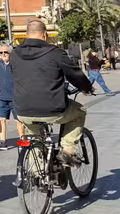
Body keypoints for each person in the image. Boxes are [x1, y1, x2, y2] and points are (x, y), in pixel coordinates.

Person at [11, 20, 94, 165]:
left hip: (23, 110)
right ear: (46, 35)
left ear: (26, 35)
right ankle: (67, 150)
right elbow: (74, 75)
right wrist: (87, 88)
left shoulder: (14, 54)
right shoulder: (56, 53)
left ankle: (36, 175)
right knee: (80, 111)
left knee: (34, 137)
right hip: (53, 109)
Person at [0, 45, 23, 149]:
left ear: (11, 53)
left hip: (15, 98)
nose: (3, 55)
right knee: (1, 120)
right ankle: (2, 142)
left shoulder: (17, 65)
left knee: (19, 121)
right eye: (1, 53)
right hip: (2, 98)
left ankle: (22, 141)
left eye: (5, 52)